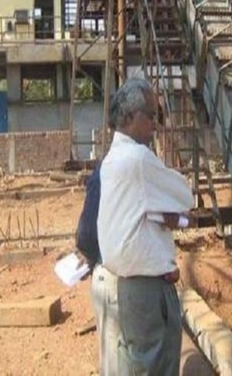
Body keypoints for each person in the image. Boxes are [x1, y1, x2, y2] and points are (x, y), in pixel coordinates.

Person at [97, 77, 194, 376]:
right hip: (147, 292)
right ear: (129, 117)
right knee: (156, 366)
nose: (155, 123)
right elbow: (184, 195)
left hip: (124, 287)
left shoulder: (112, 159)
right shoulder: (139, 159)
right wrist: (173, 212)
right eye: (151, 115)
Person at [76, 151, 119, 375]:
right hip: (142, 279)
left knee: (113, 355)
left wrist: (89, 256)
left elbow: (87, 234)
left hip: (109, 274)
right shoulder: (146, 167)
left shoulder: (105, 171)